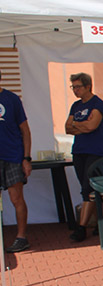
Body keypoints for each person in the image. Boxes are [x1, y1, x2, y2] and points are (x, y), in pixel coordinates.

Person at [65, 72, 103, 242]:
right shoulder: (75, 105)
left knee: (87, 188)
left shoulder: (97, 103)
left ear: (88, 86)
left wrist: (77, 124)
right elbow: (67, 128)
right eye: (73, 87)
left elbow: (92, 126)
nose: (75, 90)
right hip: (79, 151)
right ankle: (98, 223)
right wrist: (79, 124)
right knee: (88, 189)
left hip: (94, 151)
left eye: (78, 87)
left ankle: (81, 228)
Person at [0, 70, 32, 252]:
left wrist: (26, 158)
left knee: (16, 198)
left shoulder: (11, 99)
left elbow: (25, 131)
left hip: (12, 156)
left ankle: (21, 237)